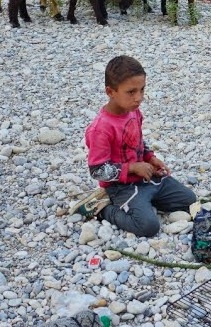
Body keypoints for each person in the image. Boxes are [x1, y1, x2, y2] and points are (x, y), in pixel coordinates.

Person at [82, 55, 196, 238]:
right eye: (131, 92)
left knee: (190, 201)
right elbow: (97, 171)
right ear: (110, 92)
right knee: (148, 227)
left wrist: (150, 158)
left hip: (145, 177)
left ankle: (144, 202)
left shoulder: (133, 112)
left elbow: (138, 142)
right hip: (121, 187)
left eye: (142, 90)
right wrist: (133, 167)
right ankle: (104, 209)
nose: (139, 98)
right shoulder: (101, 129)